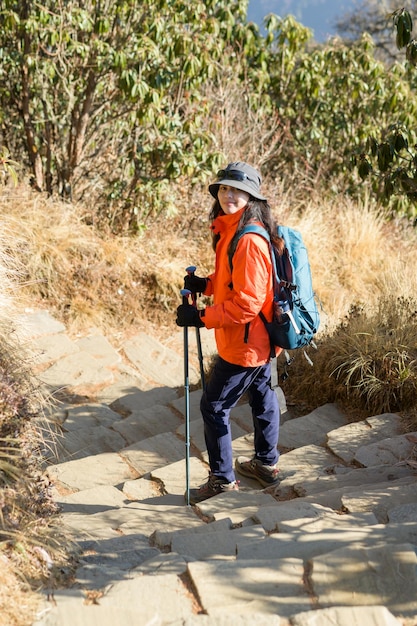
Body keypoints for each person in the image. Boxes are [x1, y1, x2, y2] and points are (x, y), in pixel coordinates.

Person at [176, 162, 283, 505]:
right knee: (263, 396)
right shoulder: (234, 231)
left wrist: (201, 317)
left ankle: (222, 480)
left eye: (236, 189)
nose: (228, 195)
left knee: (213, 405)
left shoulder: (248, 239)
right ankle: (266, 465)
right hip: (260, 339)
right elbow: (231, 283)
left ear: (251, 196)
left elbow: (247, 303)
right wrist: (203, 284)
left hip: (246, 343)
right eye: (223, 188)